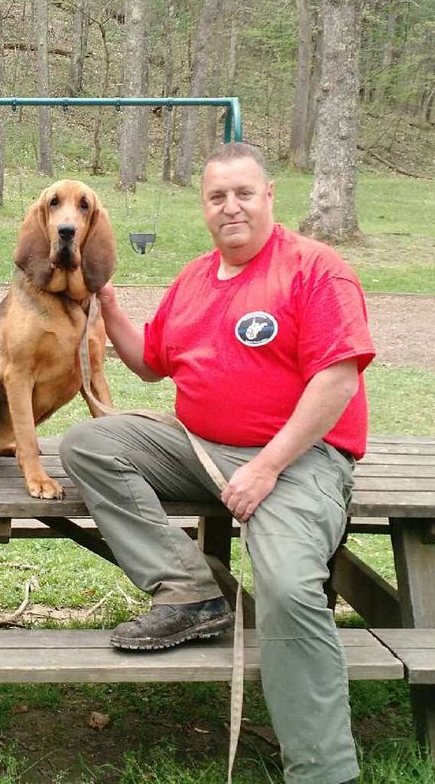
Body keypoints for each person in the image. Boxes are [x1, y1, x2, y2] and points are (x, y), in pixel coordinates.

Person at [60, 141, 372, 784]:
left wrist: (267, 467)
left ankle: (323, 771)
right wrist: (109, 306)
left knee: (288, 590)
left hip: (299, 458)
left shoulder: (315, 269)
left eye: (243, 193)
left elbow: (337, 380)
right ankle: (193, 593)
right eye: (217, 196)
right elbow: (150, 364)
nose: (231, 207)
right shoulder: (195, 279)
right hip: (200, 448)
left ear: (269, 197)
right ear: (204, 206)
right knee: (89, 445)